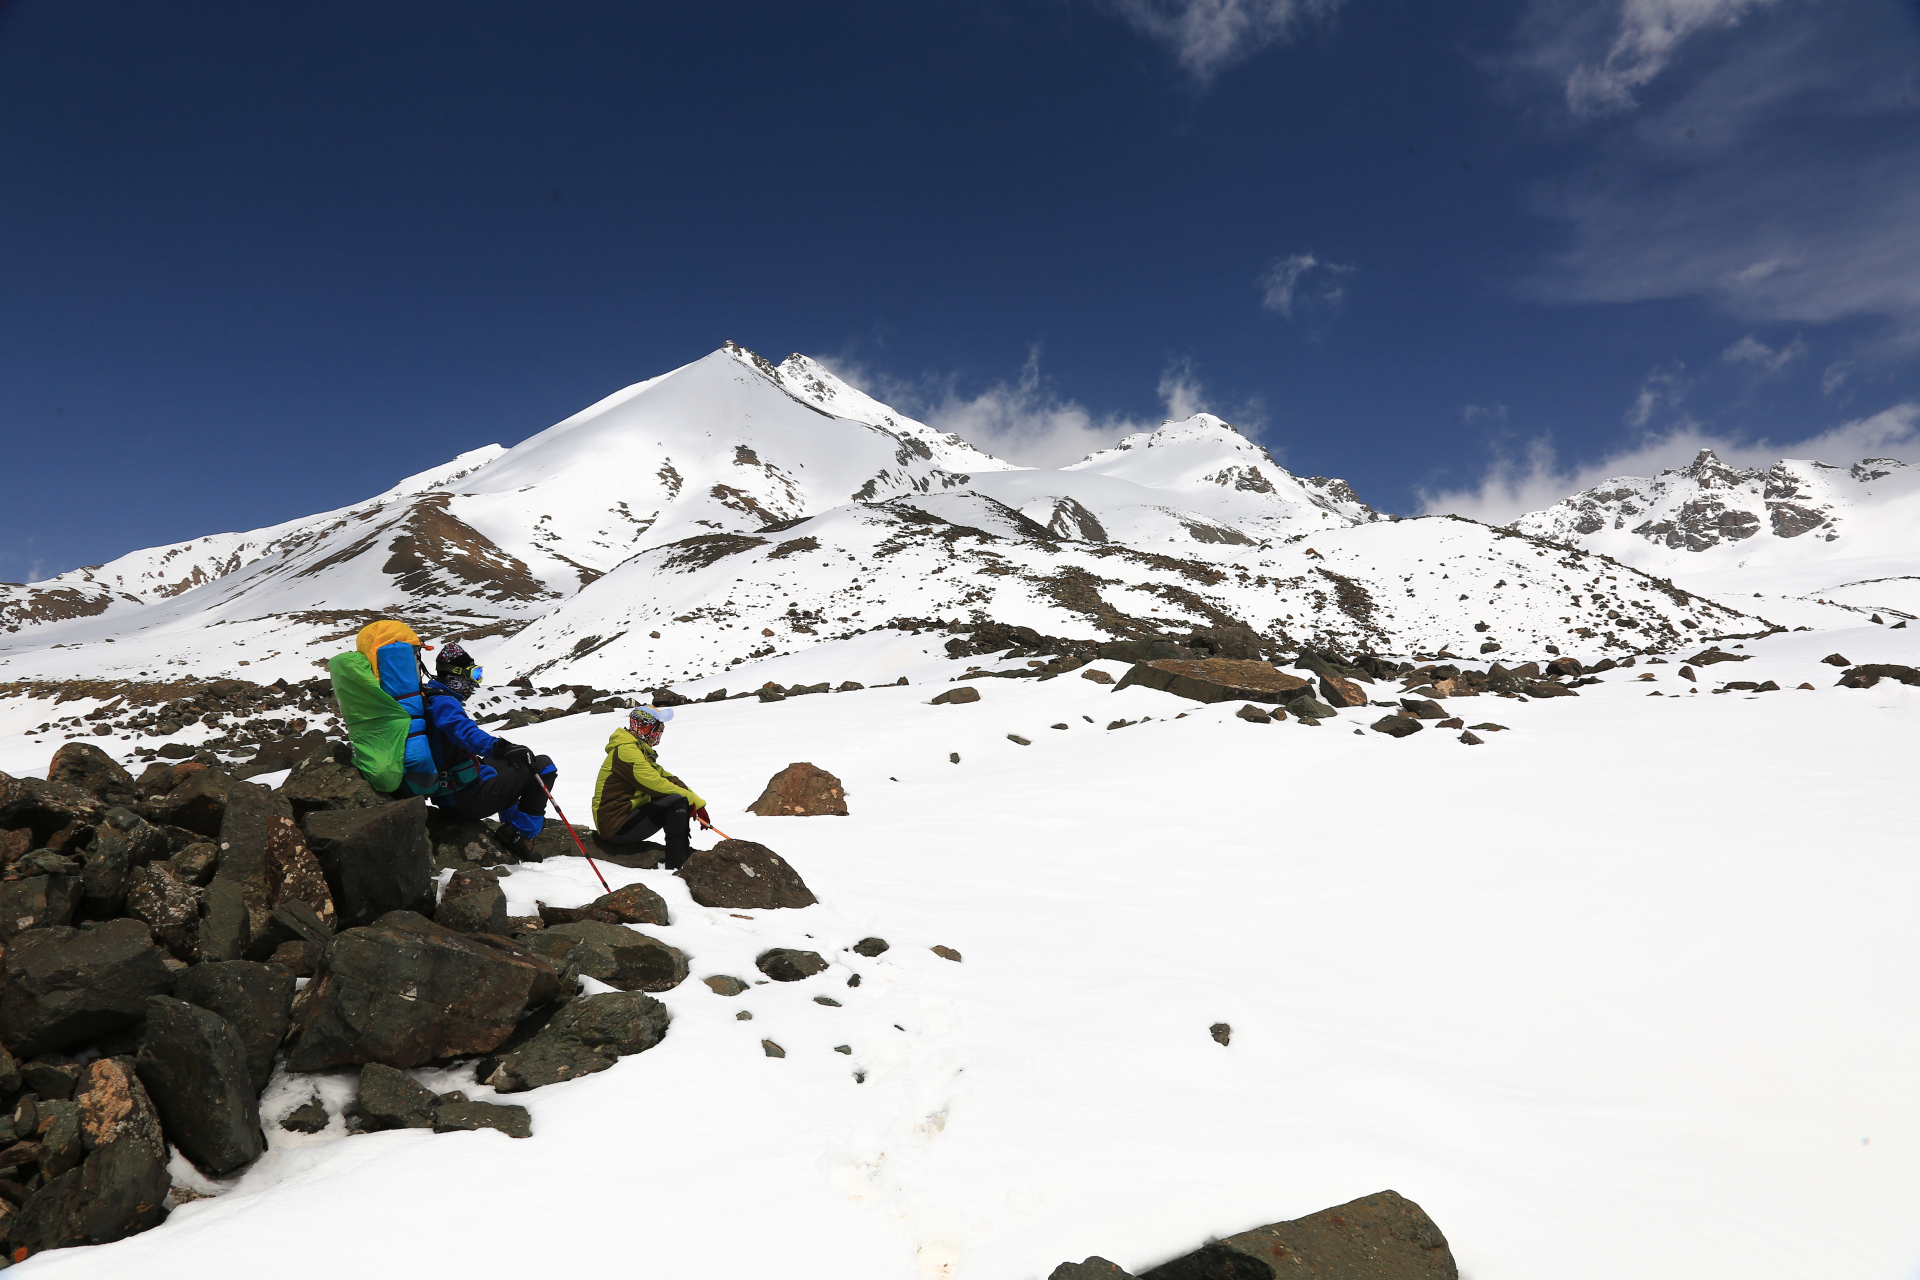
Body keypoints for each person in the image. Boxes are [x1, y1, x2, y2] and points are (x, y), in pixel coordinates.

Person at [421, 641, 555, 860]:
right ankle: (523, 835)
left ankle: (513, 821)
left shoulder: (433, 696)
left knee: (514, 764)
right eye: (474, 674)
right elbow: (463, 732)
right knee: (542, 766)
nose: (476, 682)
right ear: (457, 675)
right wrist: (501, 748)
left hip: (452, 793)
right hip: (463, 802)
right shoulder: (444, 703)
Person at [593, 705, 709, 870]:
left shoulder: (638, 750)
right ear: (643, 726)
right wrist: (688, 801)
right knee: (676, 801)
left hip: (624, 817)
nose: (659, 733)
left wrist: (699, 804)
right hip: (614, 825)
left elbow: (668, 778)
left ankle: (680, 852)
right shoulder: (626, 751)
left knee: (678, 798)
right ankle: (678, 862)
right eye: (656, 728)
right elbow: (656, 784)